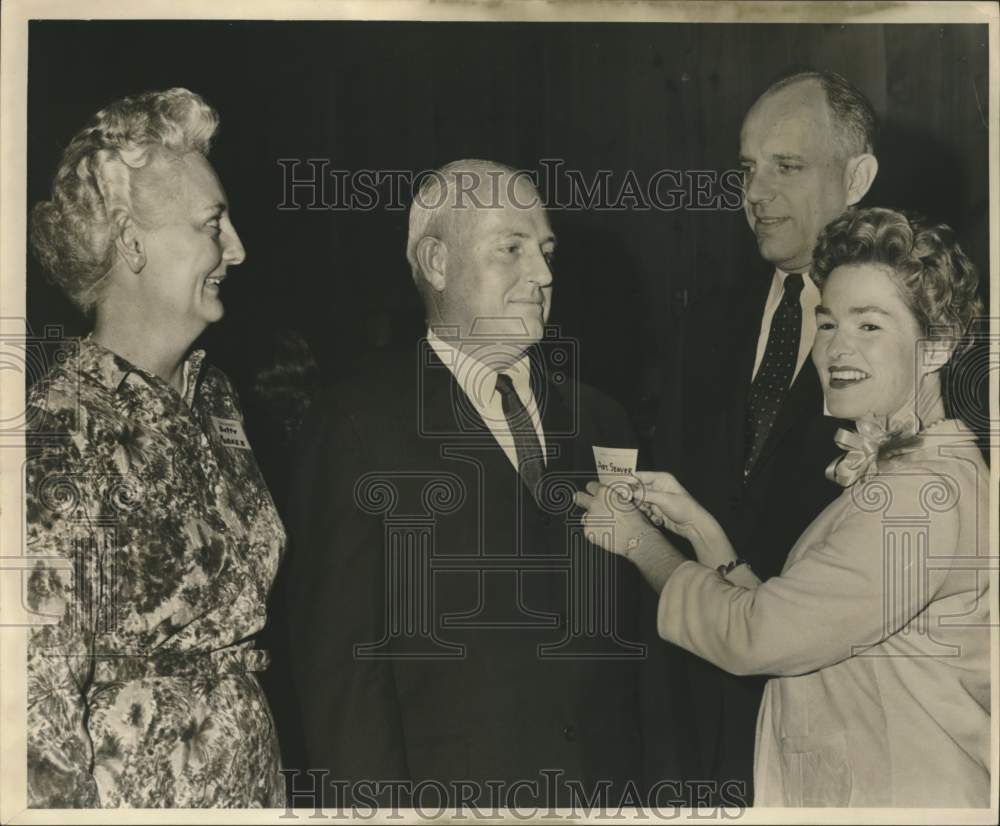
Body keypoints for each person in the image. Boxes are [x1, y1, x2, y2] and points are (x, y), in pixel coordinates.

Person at [578, 207, 989, 807]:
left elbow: (754, 637)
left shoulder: (921, 501)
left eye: (869, 326)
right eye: (827, 324)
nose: (837, 350)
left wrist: (641, 544)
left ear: (938, 346)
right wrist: (702, 530)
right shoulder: (913, 475)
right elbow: (801, 618)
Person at [283, 159, 643, 808]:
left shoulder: (602, 418)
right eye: (512, 249)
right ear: (436, 262)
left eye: (546, 251)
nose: (543, 274)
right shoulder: (356, 426)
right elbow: (340, 674)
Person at [25, 88, 285, 807]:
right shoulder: (56, 436)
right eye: (213, 224)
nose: (237, 249)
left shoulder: (218, 403)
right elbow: (32, 729)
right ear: (131, 241)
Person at [646, 69, 880, 798]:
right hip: (699, 708)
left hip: (835, 714)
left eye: (787, 166)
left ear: (858, 176)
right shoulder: (706, 320)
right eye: (748, 169)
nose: (755, 193)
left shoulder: (904, 343)